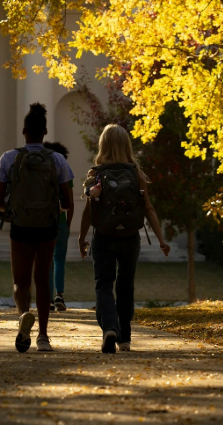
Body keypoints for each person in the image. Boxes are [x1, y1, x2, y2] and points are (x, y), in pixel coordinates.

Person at [78, 124, 170, 353]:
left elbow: (88, 211)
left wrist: (81, 238)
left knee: (104, 285)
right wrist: (161, 239)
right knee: (126, 286)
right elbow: (148, 208)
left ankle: (109, 328)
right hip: (130, 237)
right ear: (126, 146)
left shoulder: (96, 174)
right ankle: (125, 338)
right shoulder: (136, 173)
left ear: (103, 145)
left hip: (104, 236)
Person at [0, 103, 74, 353]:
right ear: (45, 131)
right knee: (42, 280)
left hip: (20, 226)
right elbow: (68, 201)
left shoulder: (9, 157)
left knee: (20, 282)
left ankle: (23, 316)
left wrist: (10, 211)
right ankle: (43, 337)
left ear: (24, 131)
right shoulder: (58, 160)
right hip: (47, 227)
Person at [43, 141, 74, 312]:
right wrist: (68, 223)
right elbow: (70, 202)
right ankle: (59, 295)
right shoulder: (64, 170)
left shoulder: (43, 172)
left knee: (46, 260)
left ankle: (48, 298)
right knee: (59, 259)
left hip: (44, 221)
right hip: (61, 221)